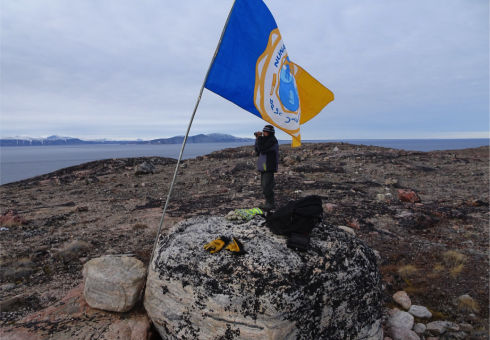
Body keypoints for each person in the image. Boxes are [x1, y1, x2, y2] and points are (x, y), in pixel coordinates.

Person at [254, 125, 279, 210]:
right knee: (263, 186)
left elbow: (262, 149)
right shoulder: (266, 140)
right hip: (264, 166)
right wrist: (257, 139)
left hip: (268, 166)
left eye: (266, 132)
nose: (264, 133)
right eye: (263, 131)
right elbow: (257, 149)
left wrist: (260, 138)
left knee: (267, 186)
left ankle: (271, 204)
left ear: (271, 133)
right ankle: (267, 202)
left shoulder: (272, 141)